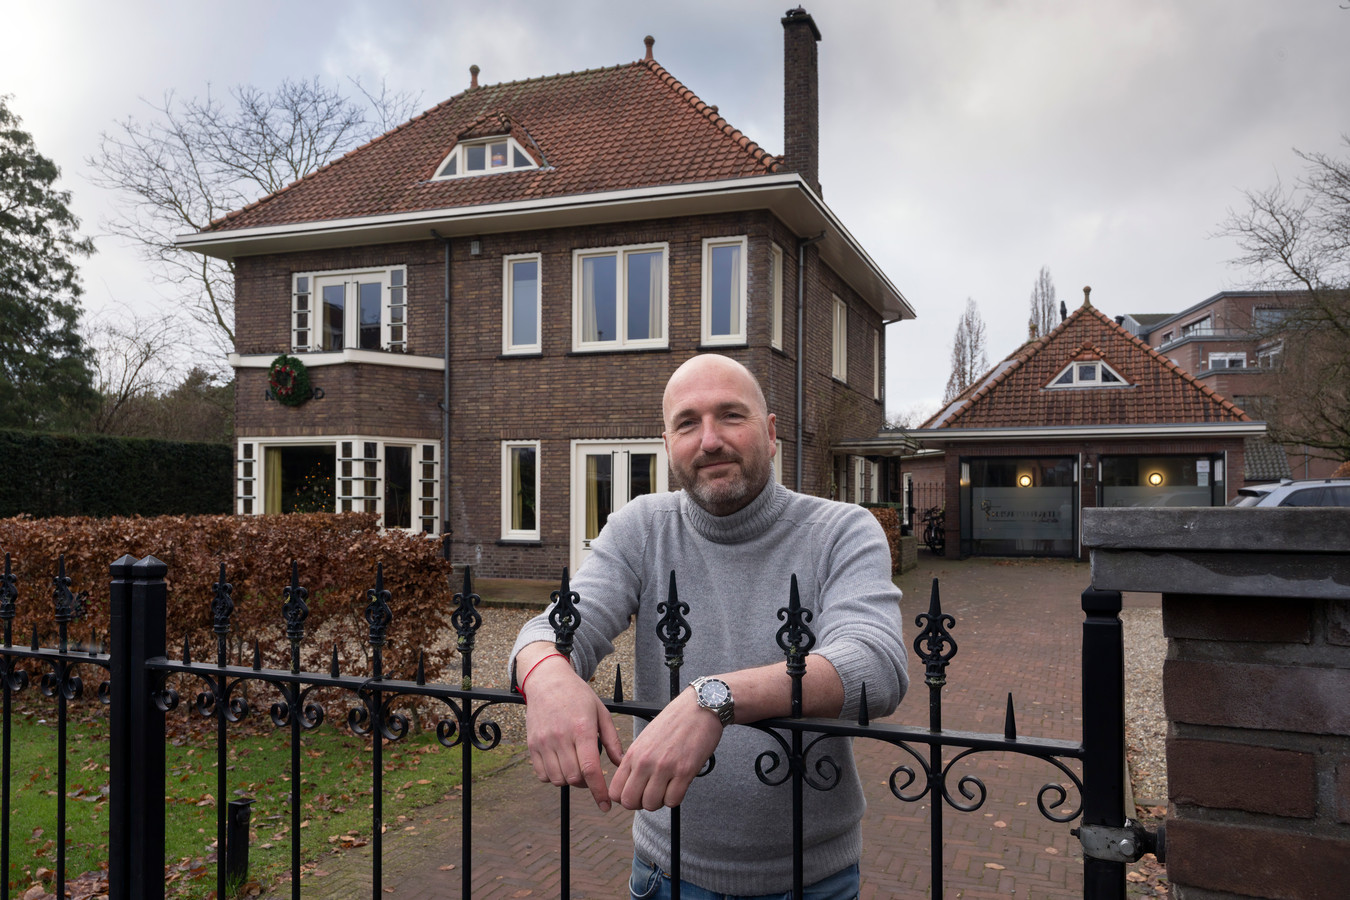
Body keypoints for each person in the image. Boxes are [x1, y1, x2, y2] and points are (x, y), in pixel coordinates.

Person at [509, 353, 907, 899]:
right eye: (687, 423)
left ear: (770, 434)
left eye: (731, 416)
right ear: (668, 442)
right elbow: (554, 627)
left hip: (811, 878)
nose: (710, 440)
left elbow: (876, 666)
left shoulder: (841, 531)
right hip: (666, 874)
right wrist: (547, 676)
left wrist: (714, 697)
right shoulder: (639, 529)